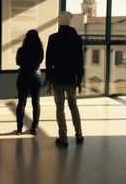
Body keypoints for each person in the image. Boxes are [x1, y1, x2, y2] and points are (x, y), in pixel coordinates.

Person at [46, 11, 84, 148]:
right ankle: (79, 134)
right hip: (72, 79)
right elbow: (80, 62)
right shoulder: (77, 39)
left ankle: (63, 138)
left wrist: (49, 80)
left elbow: (49, 62)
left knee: (60, 108)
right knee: (73, 106)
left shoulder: (53, 38)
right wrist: (79, 80)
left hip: (57, 79)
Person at [16, 29, 44, 135]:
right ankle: (34, 128)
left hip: (23, 76)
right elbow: (40, 61)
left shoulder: (21, 50)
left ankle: (19, 129)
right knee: (36, 103)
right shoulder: (40, 50)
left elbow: (18, 62)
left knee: (21, 103)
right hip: (36, 77)